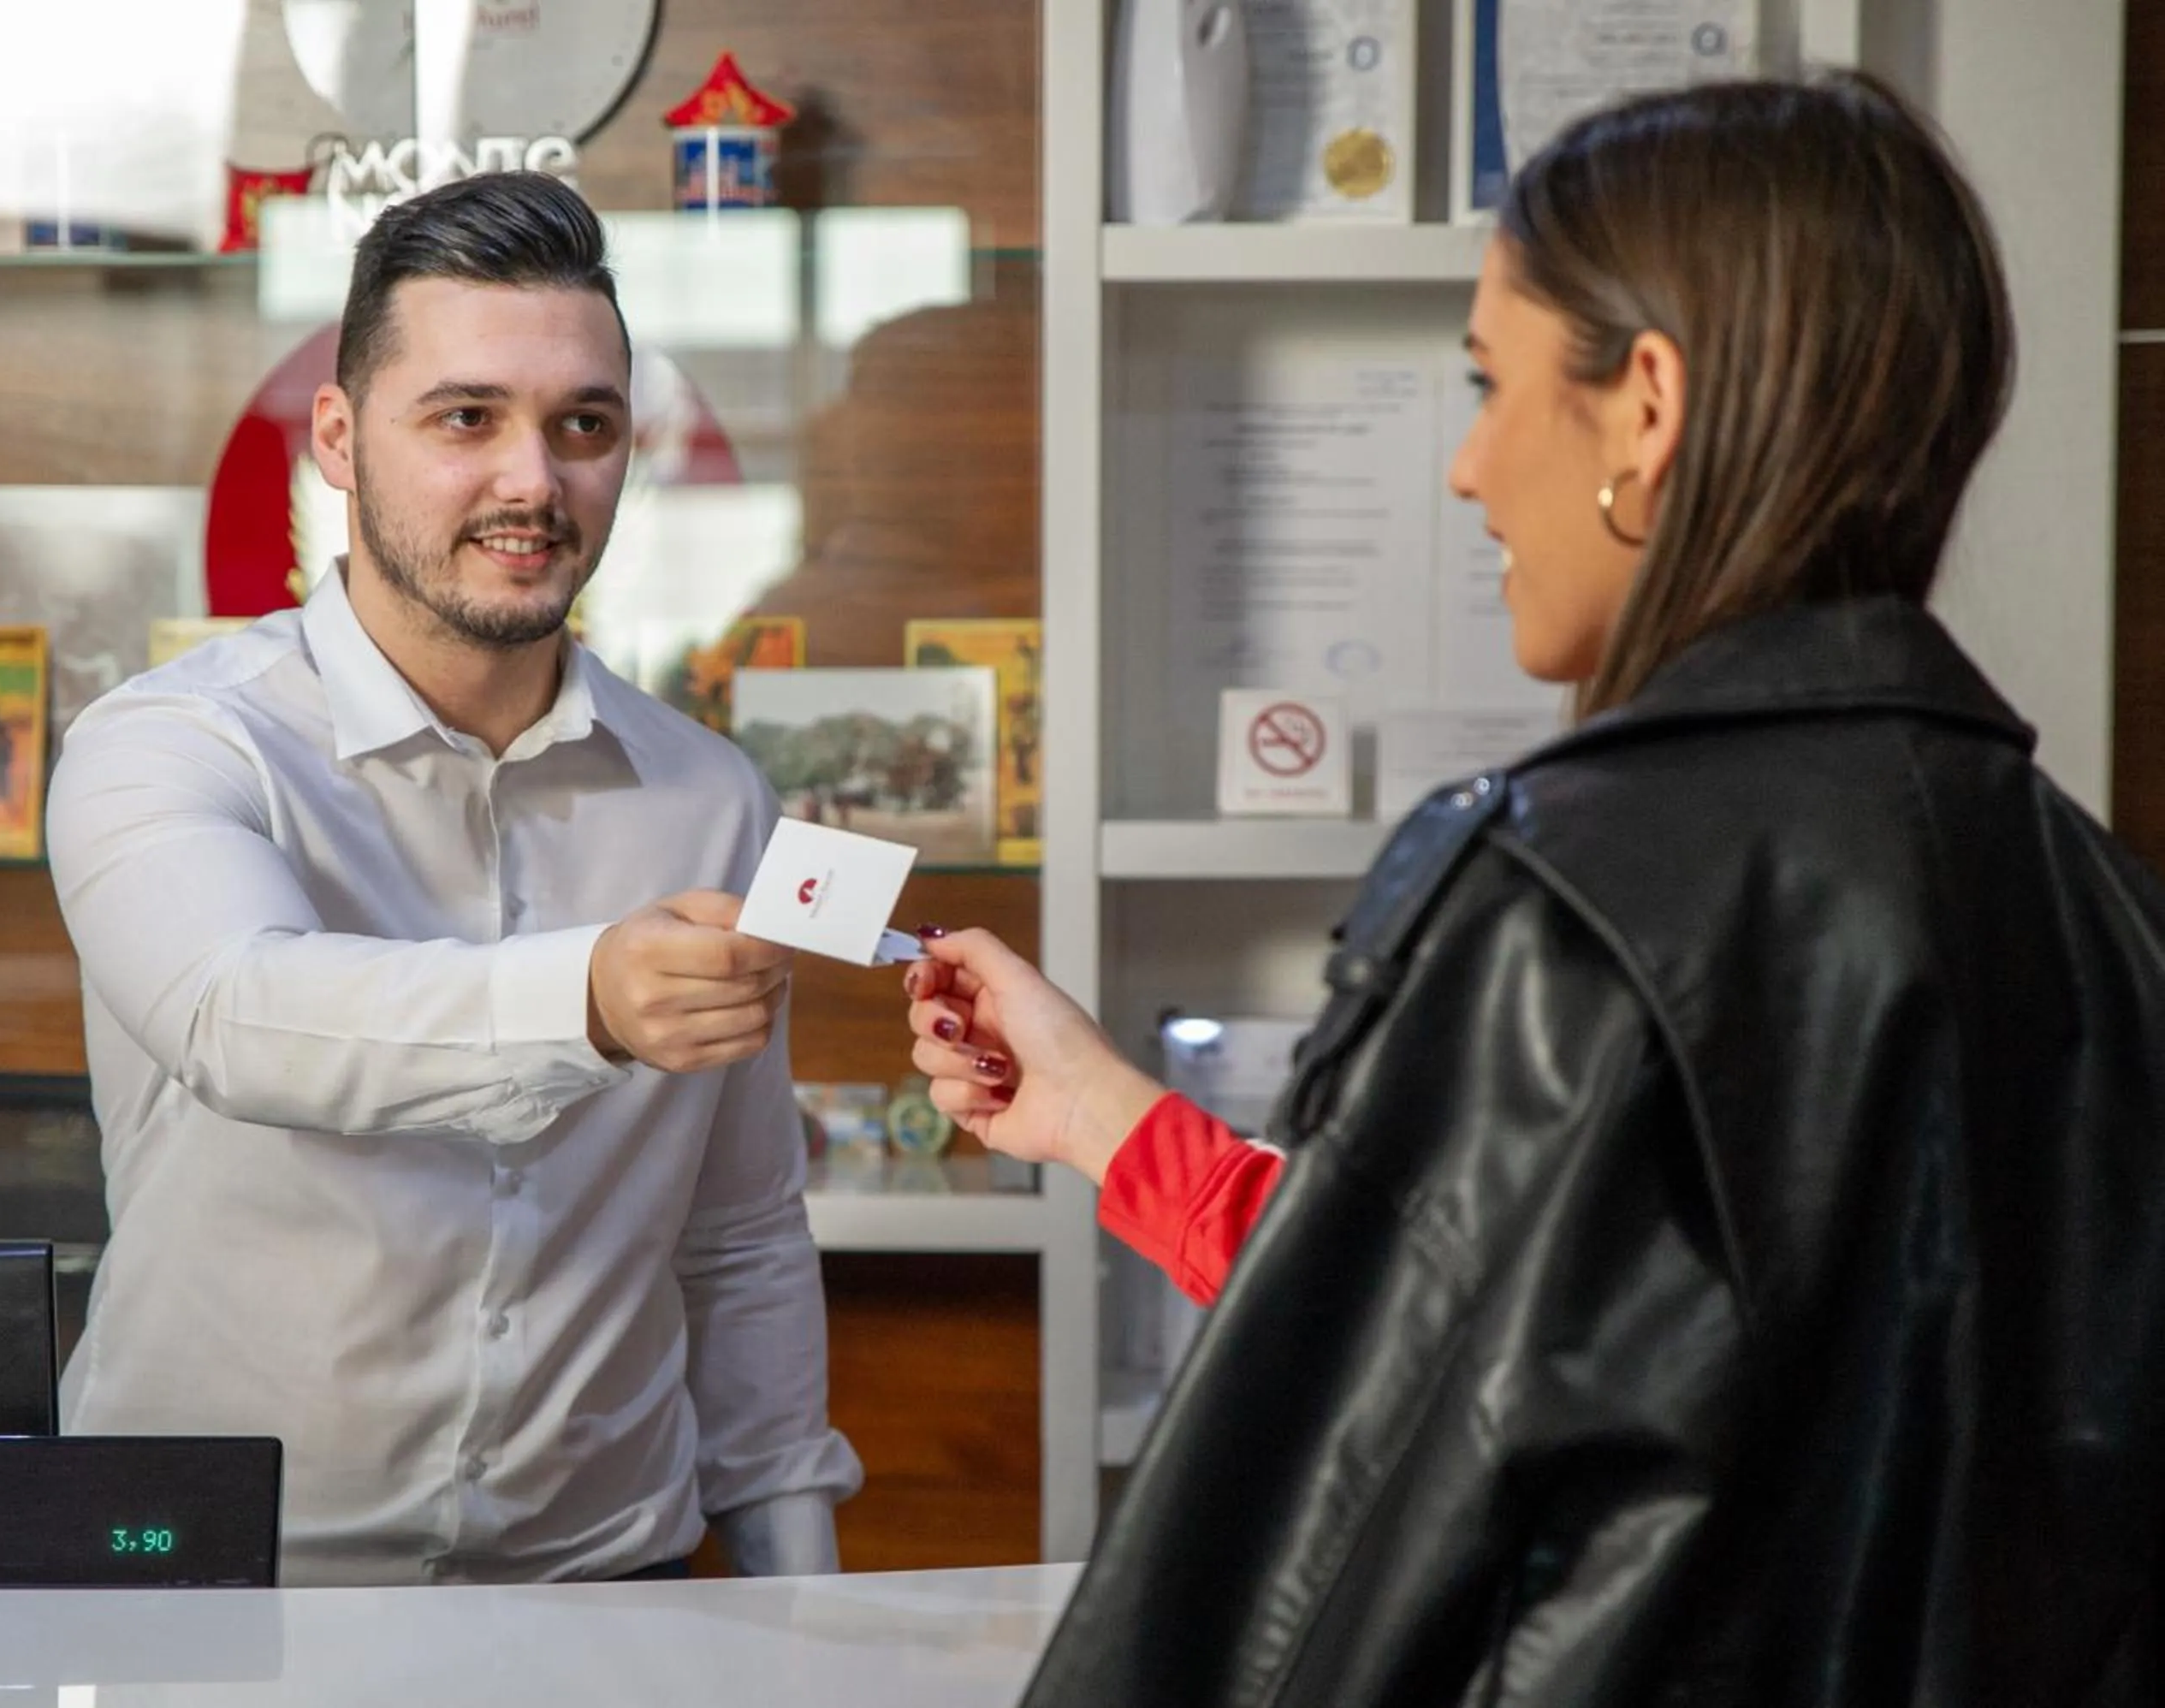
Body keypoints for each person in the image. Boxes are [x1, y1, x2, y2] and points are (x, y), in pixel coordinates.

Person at [906, 73, 2165, 1705]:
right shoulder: (2108, 919)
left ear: (1646, 406)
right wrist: (1099, 1118)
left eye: (1492, 383)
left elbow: (1319, 1545)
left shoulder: (1553, 897)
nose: (1466, 469)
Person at [46, 172, 861, 1586]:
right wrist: (590, 998)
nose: (533, 482)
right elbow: (239, 1014)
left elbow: (738, 1240)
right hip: (214, 1591)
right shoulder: (167, 746)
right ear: (342, 442)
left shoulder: (712, 795)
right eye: (467, 418)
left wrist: (806, 1610)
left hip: (609, 1594)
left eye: (583, 426)